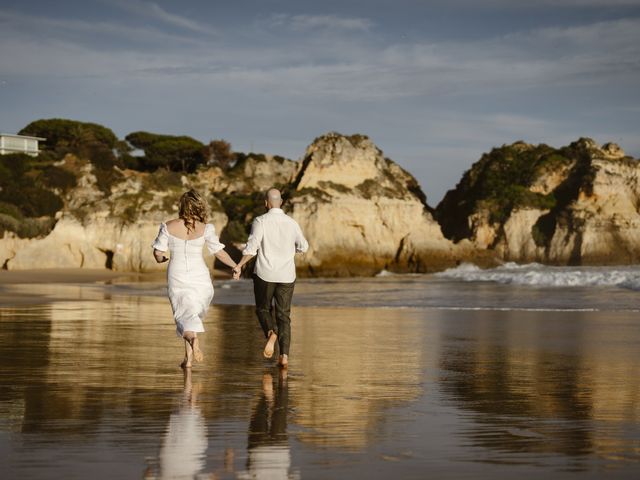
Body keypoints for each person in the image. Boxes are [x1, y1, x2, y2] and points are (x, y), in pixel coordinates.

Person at [152, 189, 237, 368]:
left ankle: (192, 342)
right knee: (191, 315)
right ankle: (188, 359)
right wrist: (235, 265)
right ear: (199, 206)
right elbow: (219, 253)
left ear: (182, 206)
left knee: (184, 315)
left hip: (178, 275)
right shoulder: (206, 228)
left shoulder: (168, 226)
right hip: (200, 277)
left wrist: (161, 259)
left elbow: (158, 252)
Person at [233, 188, 308, 368]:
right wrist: (291, 252)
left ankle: (270, 332)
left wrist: (239, 265)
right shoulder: (291, 222)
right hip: (287, 275)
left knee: (263, 309)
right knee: (284, 316)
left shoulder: (260, 221)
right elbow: (304, 247)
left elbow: (252, 248)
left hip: (265, 274)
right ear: (280, 202)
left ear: (266, 203)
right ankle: (284, 357)